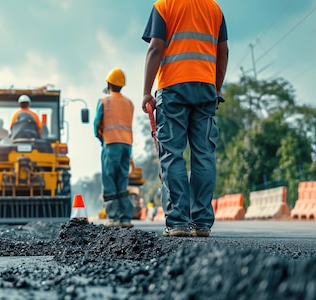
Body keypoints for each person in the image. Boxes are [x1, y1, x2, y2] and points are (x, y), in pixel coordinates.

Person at [141, 0, 228, 237]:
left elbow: (156, 48)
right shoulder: (214, 9)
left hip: (173, 90)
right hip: (206, 90)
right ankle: (201, 223)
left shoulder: (164, 5)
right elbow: (223, 52)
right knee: (204, 155)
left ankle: (178, 222)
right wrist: (217, 89)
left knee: (172, 154)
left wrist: (147, 91)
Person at [93, 68, 136, 229]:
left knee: (110, 179)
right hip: (127, 145)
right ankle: (125, 218)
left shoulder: (104, 101)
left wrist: (100, 138)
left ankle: (113, 217)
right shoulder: (129, 103)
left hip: (110, 144)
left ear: (109, 84)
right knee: (122, 179)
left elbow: (97, 123)